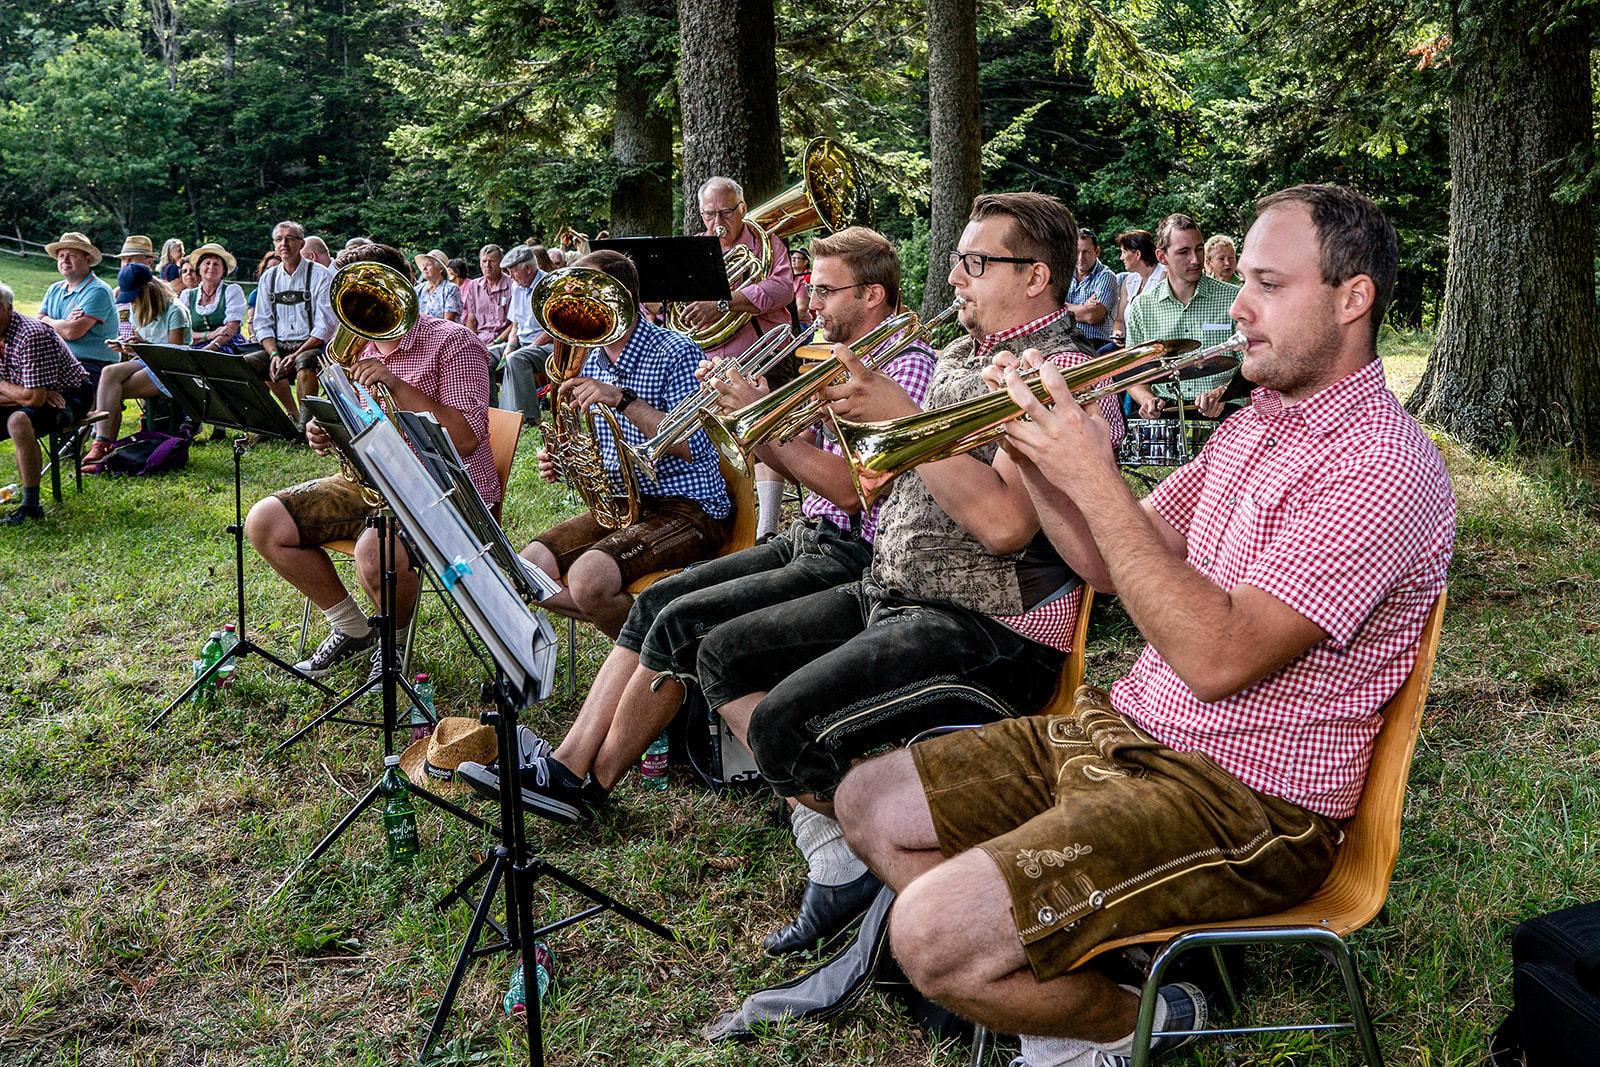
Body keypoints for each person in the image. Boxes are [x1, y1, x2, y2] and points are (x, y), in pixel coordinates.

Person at [835, 185, 1456, 1067]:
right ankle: (1055, 973)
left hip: (1245, 797)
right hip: (1125, 733)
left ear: (1352, 299)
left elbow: (1213, 655)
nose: (1235, 306)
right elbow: (1108, 560)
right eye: (1241, 279)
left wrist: (1092, 475)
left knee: (929, 933)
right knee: (871, 802)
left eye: (1268, 285)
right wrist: (1036, 454)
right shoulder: (1256, 432)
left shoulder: (1381, 468)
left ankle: (1135, 1017)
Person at [678, 193, 1121, 949]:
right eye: (957, 260)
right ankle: (851, 863)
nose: (953, 278)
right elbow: (874, 482)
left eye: (975, 263)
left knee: (787, 726)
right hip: (892, 590)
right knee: (720, 654)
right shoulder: (958, 353)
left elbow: (1008, 524)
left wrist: (895, 419)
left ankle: (947, 915)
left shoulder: (1065, 372)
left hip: (990, 629)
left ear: (1037, 277)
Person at [466, 228, 936, 832]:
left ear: (872, 296)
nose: (807, 304)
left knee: (681, 617)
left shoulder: (904, 369)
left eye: (822, 292)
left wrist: (755, 417)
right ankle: (571, 766)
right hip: (812, 537)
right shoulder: (839, 359)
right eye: (810, 290)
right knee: (662, 600)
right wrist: (760, 415)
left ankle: (586, 777)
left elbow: (850, 491)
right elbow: (780, 457)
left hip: (854, 550)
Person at [244, 241, 497, 680]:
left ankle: (392, 644)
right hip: (376, 478)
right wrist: (328, 429)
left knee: (372, 551)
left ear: (401, 289)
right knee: (265, 521)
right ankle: (352, 627)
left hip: (444, 489)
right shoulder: (357, 348)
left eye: (370, 293)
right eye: (351, 296)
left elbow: (468, 439)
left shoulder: (453, 342)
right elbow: (358, 424)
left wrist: (399, 387)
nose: (360, 308)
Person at [518, 248, 731, 640]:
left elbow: (695, 445)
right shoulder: (593, 359)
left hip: (689, 508)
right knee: (527, 571)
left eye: (592, 293)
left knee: (587, 580)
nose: (581, 304)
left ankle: (647, 659)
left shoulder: (675, 352)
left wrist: (623, 399)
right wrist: (567, 463)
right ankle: (660, 639)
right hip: (626, 505)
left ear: (627, 298)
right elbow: (606, 450)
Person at [680, 176, 799, 543]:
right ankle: (726, 524)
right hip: (715, 360)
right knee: (717, 442)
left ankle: (766, 527)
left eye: (726, 212)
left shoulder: (766, 243)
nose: (718, 221)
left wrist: (722, 303)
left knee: (768, 432)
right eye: (709, 213)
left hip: (768, 355)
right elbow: (681, 304)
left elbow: (782, 289)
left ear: (742, 209)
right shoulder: (696, 249)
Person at [1124, 214, 1241, 420]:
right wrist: (1146, 400)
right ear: (1162, 257)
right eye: (1183, 252)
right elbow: (1134, 375)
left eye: (1199, 249)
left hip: (1224, 406)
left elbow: (1251, 365)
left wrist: (1222, 392)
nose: (1195, 260)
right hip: (1167, 410)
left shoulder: (1234, 298)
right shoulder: (1142, 308)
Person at [81, 265, 193, 471]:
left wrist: (143, 346)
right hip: (149, 360)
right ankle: (101, 444)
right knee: (109, 373)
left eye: (134, 296)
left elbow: (174, 355)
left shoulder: (175, 310)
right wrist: (128, 346)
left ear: (148, 291)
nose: (131, 301)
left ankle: (104, 446)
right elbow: (143, 347)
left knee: (114, 390)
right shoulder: (137, 309)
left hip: (172, 369)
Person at [0, 281, 95, 524]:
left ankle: (30, 506)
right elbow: (32, 396)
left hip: (70, 394)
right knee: (22, 410)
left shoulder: (30, 334)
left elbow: (34, 399)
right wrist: (25, 393)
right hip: (34, 390)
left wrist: (26, 393)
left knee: (19, 420)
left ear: (7, 309)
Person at [245, 220, 336, 426]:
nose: (284, 244)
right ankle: (267, 423)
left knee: (305, 361)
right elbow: (262, 323)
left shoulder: (320, 275)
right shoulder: (268, 278)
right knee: (246, 365)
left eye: (290, 239)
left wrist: (294, 355)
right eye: (279, 239)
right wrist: (274, 354)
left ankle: (304, 425)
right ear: (274, 244)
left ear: (301, 244)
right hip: (278, 347)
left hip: (312, 347)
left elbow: (325, 326)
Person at [37, 232, 117, 389]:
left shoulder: (98, 291)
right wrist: (64, 322)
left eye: (72, 255)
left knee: (46, 394)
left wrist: (48, 320)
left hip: (91, 365)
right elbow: (37, 324)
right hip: (58, 361)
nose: (64, 260)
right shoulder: (55, 289)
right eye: (61, 256)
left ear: (88, 260)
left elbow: (72, 333)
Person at [496, 244, 552, 419]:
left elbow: (552, 330)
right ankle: (494, 412)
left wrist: (530, 348)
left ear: (528, 268)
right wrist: (510, 346)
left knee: (517, 359)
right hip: (523, 343)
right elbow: (515, 325)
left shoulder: (548, 285)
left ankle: (528, 417)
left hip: (548, 345)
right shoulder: (516, 286)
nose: (510, 277)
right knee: (484, 355)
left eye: (513, 271)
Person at [182, 243, 248, 353]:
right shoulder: (188, 295)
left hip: (226, 346)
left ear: (223, 270)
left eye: (216, 264)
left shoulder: (232, 291)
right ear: (199, 267)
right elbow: (184, 333)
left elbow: (231, 329)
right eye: (207, 263)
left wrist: (210, 348)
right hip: (195, 348)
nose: (211, 267)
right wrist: (209, 335)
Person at [1063, 228, 1119, 351]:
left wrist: (1061, 307)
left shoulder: (1106, 276)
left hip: (1095, 345)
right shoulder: (1064, 274)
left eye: (1086, 252)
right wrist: (1083, 308)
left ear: (1097, 251)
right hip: (1066, 342)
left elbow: (1091, 316)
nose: (1080, 258)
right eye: (1077, 252)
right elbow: (1047, 308)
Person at [1108, 229, 1163, 347]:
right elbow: (1120, 320)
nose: (1121, 258)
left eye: (1123, 252)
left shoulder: (1164, 276)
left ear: (1138, 254)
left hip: (1154, 346)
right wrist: (1118, 333)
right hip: (1129, 345)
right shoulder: (1128, 282)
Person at [461, 243, 513, 351]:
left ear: (501, 263)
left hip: (504, 342)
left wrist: (496, 341)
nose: (487, 265)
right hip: (480, 340)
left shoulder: (512, 285)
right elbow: (471, 320)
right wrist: (473, 342)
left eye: (492, 261)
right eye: (484, 261)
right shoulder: (474, 286)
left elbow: (516, 323)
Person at [414, 248, 461, 322]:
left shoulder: (451, 289)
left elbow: (448, 323)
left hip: (444, 332)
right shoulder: (417, 290)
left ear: (440, 269)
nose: (424, 268)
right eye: (423, 265)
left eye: (428, 265)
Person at [244, 251, 281, 341]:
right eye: (268, 268)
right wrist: (254, 339)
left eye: (276, 268)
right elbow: (251, 322)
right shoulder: (256, 294)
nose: (271, 272)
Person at [789, 247, 813, 326]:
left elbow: (802, 310)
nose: (793, 260)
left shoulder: (808, 278)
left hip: (801, 322)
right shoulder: (789, 278)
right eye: (792, 257)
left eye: (797, 258)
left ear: (805, 262)